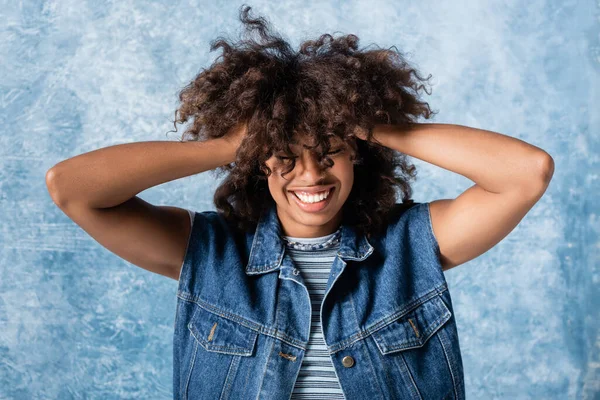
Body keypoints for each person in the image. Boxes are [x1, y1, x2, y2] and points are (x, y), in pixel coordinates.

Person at [45, 5, 554, 400]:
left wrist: (372, 124)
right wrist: (224, 146)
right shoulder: (209, 252)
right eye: (285, 157)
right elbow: (71, 188)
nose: (311, 174)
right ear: (258, 164)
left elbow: (527, 174)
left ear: (358, 157)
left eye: (331, 153)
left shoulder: (413, 244)